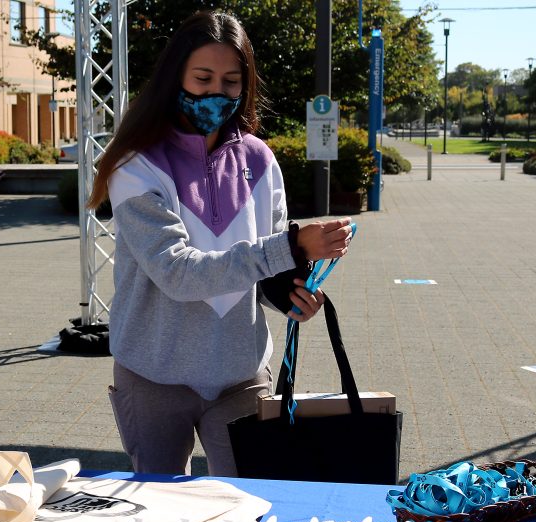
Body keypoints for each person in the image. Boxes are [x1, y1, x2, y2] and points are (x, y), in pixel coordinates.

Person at [87, 10, 353, 476]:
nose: (217, 92)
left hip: (242, 377)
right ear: (176, 79)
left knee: (246, 511)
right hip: (152, 377)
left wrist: (290, 295)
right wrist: (292, 247)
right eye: (203, 77)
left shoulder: (261, 161)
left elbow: (267, 267)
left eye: (231, 81)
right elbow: (178, 273)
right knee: (161, 521)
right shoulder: (136, 166)